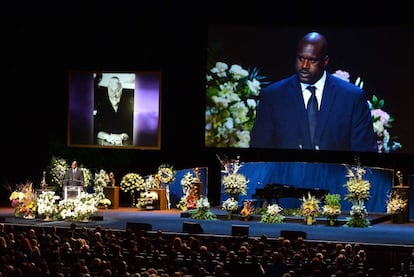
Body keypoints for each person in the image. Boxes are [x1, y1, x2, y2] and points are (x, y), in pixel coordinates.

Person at [250, 32, 378, 152]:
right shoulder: (273, 96)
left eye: (312, 60)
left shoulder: (352, 98)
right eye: (301, 58)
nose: (304, 66)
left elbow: (365, 153)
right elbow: (260, 151)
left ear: (325, 61)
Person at [94, 75, 134, 146]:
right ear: (108, 90)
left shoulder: (128, 106)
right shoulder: (102, 106)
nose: (114, 95)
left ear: (121, 90)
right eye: (111, 91)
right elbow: (95, 130)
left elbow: (133, 130)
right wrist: (108, 137)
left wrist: (122, 136)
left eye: (117, 91)